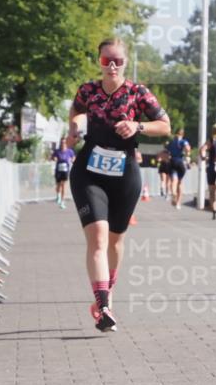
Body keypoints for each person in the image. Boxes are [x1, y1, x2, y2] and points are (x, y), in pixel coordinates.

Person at [67, 38, 171, 331]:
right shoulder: (88, 90)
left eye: (117, 61)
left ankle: (106, 293)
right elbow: (75, 111)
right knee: (98, 238)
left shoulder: (138, 93)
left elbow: (165, 125)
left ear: (126, 62)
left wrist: (138, 126)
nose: (111, 66)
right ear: (98, 62)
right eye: (105, 61)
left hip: (124, 170)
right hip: (89, 170)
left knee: (115, 240)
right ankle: (103, 307)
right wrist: (74, 127)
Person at [166, 127, 191, 209]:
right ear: (183, 134)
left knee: (173, 181)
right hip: (180, 162)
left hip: (172, 161)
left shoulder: (172, 141)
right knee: (180, 182)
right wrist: (187, 155)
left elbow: (167, 151)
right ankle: (178, 203)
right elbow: (188, 148)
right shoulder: (183, 141)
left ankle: (173, 192)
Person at [51, 136, 75, 208]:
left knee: (63, 185)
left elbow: (73, 157)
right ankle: (58, 195)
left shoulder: (69, 151)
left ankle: (62, 201)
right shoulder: (57, 151)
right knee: (58, 184)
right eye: (61, 142)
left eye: (64, 142)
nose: (63, 144)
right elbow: (52, 157)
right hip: (58, 170)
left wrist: (72, 159)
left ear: (66, 143)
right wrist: (54, 158)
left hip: (65, 170)